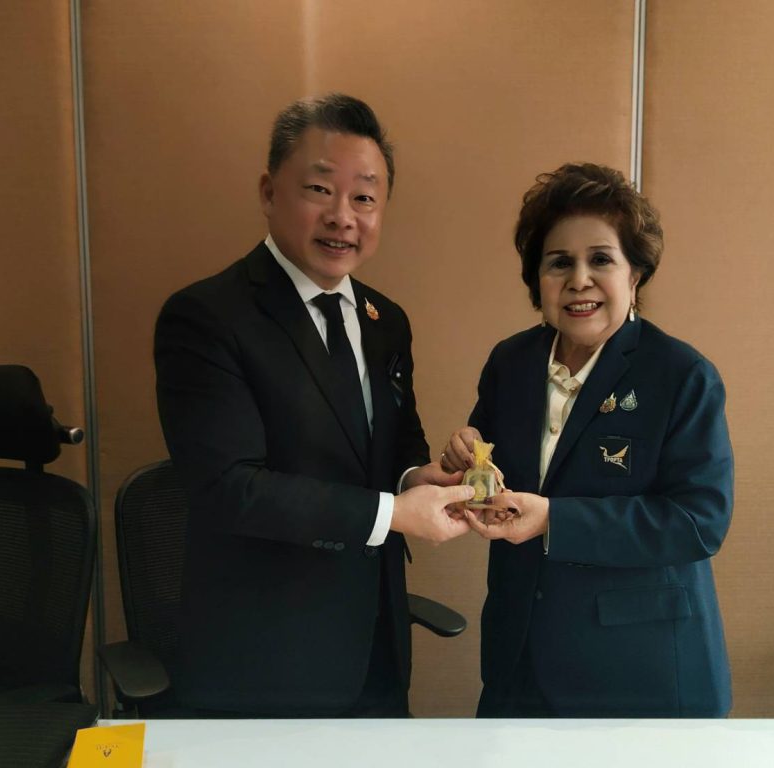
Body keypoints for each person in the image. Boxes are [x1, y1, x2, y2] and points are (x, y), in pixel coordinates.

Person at [154, 93, 474, 717]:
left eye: (365, 198)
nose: (343, 217)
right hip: (264, 655)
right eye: (320, 190)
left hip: (375, 641)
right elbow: (229, 488)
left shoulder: (386, 320)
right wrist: (395, 513)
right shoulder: (206, 317)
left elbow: (396, 443)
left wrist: (419, 478)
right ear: (269, 192)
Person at [442, 162, 734, 718]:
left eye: (601, 259)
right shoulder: (511, 362)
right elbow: (488, 472)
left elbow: (699, 521)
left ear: (635, 274)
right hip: (520, 664)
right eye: (559, 262)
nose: (579, 280)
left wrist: (555, 519)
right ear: (537, 280)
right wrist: (463, 455)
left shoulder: (681, 375)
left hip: (639, 674)